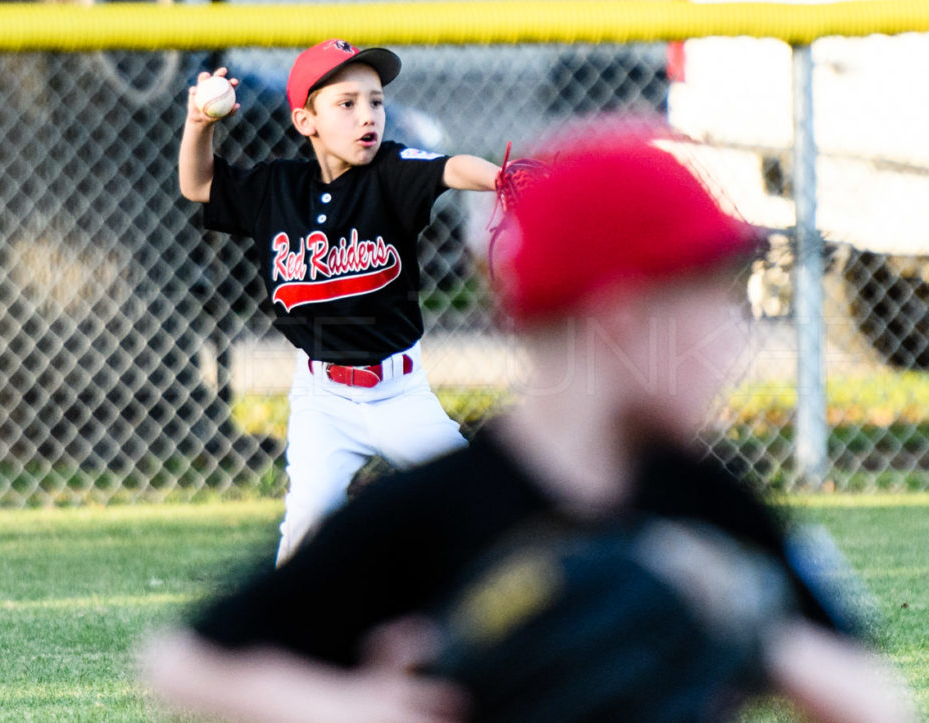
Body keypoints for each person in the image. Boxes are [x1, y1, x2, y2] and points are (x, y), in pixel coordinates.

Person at [142, 119, 917, 722]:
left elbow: (876, 696)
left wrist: (745, 616)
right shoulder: (439, 510)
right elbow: (182, 662)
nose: (734, 336)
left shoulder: (709, 507)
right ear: (622, 318)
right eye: (710, 305)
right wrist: (350, 706)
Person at [179, 39, 500, 562]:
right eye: (346, 104)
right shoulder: (275, 187)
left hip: (400, 394)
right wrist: (199, 123)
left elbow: (449, 167)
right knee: (304, 535)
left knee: (481, 501)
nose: (367, 115)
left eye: (375, 101)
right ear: (306, 121)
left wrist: (499, 178)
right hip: (321, 399)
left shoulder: (393, 173)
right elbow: (197, 184)